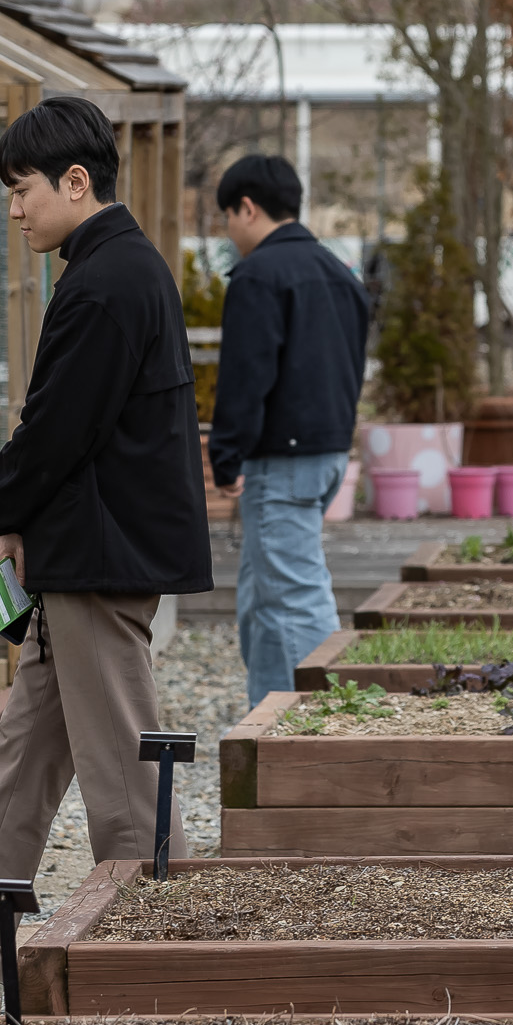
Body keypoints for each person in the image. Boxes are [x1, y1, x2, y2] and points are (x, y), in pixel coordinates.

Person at [0, 96, 211, 1010]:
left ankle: (154, 955)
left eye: (22, 189)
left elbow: (55, 425)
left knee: (123, 769)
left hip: (98, 561)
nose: (15, 209)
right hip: (85, 556)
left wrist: (0, 505)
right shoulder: (113, 270)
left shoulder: (107, 281)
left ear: (76, 182)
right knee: (26, 752)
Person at [208, 154, 373, 706]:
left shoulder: (259, 276)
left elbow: (245, 377)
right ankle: (270, 719)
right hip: (327, 454)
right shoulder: (341, 275)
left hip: (282, 461)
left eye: (228, 218)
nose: (228, 233)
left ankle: (322, 718)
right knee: (263, 596)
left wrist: (224, 458)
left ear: (247, 208)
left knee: (297, 598)